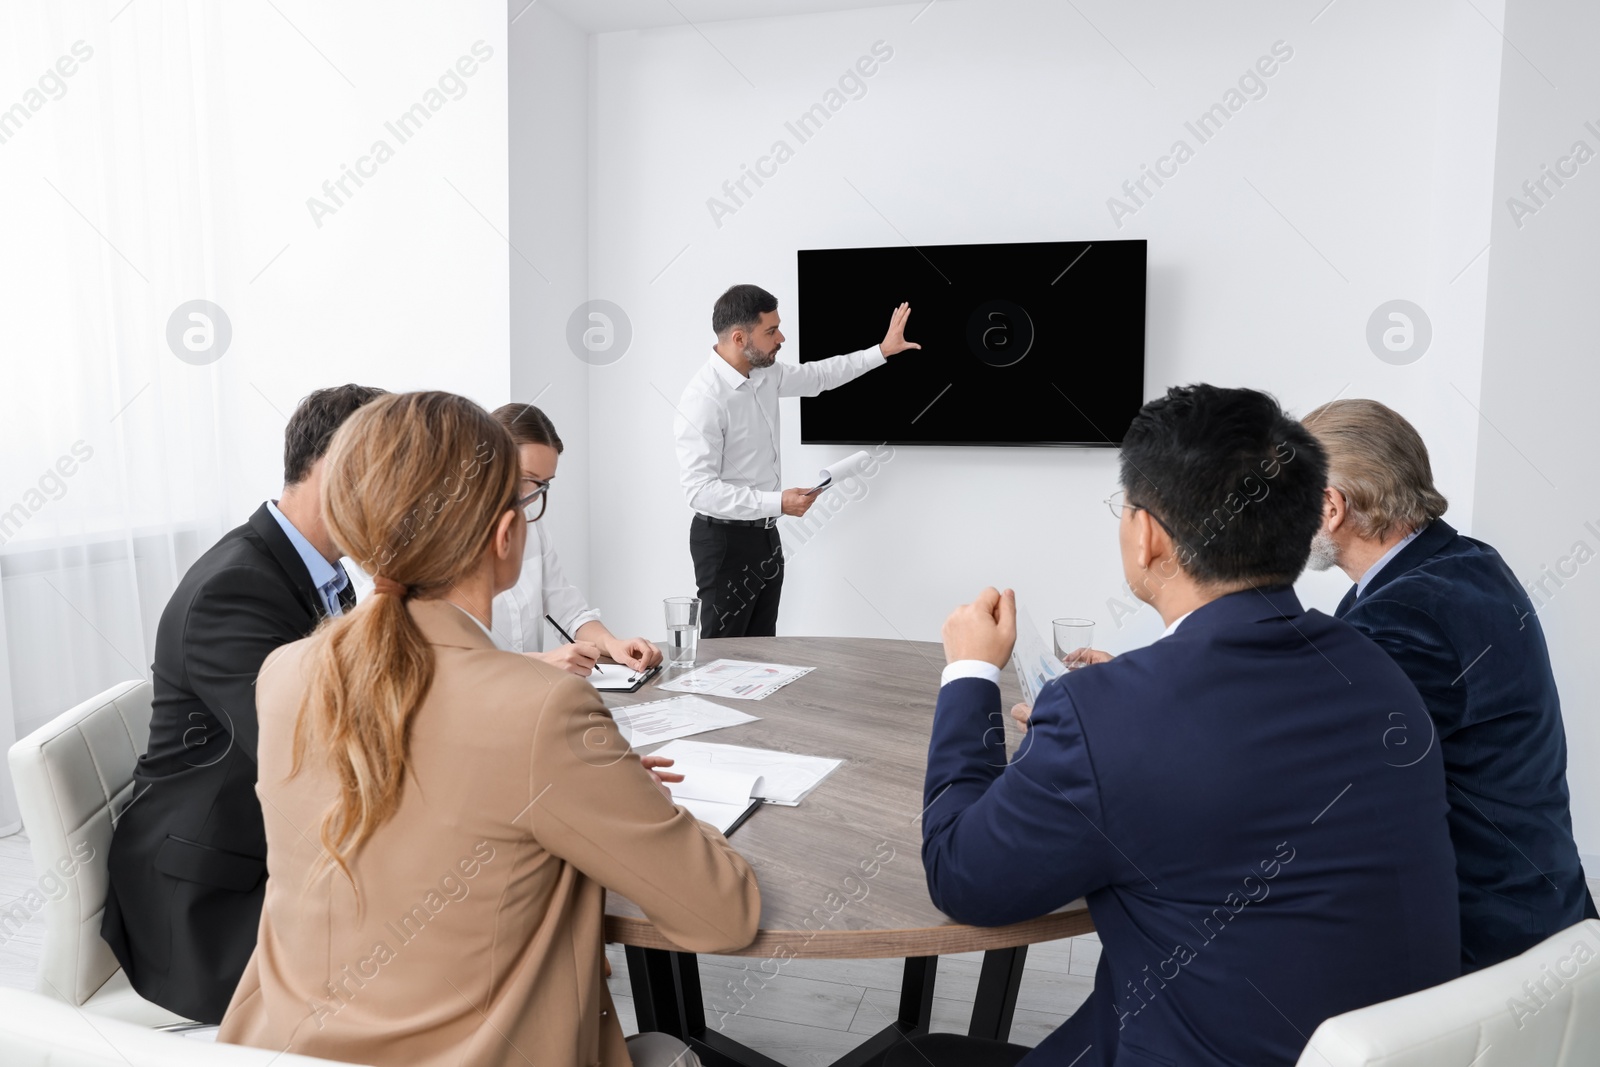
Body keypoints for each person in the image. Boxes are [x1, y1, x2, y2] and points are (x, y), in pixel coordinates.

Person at [903, 385, 1460, 1067]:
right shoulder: (1378, 673)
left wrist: (970, 674)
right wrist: (1105, 717)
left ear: (1147, 535)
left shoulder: (1110, 718)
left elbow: (962, 876)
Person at [217, 391, 759, 1067]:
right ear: (506, 535)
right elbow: (722, 914)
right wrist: (631, 804)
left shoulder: (283, 674)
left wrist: (583, 787)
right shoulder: (541, 710)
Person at [102, 383, 384, 1023]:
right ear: (341, 472)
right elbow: (311, 757)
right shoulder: (239, 586)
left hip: (269, 849)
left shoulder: (319, 571)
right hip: (208, 895)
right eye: (392, 475)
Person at [1303, 398, 1596, 971]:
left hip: (1484, 946)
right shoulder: (1462, 564)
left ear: (1332, 506)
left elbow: (1330, 776)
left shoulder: (1405, 613)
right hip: (1544, 907)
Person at [673, 284, 919, 637]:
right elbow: (700, 493)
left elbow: (820, 377)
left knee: (760, 652)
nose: (781, 337)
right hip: (724, 543)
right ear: (740, 338)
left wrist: (881, 351)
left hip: (766, 537)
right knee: (721, 656)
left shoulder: (765, 373)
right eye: (771, 331)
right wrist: (779, 502)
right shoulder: (704, 399)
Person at [488, 402, 662, 676]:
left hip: (531, 696)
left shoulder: (532, 524)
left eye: (545, 484)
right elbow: (453, 657)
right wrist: (540, 663)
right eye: (529, 479)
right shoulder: (446, 538)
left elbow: (566, 611)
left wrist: (613, 644)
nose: (534, 496)